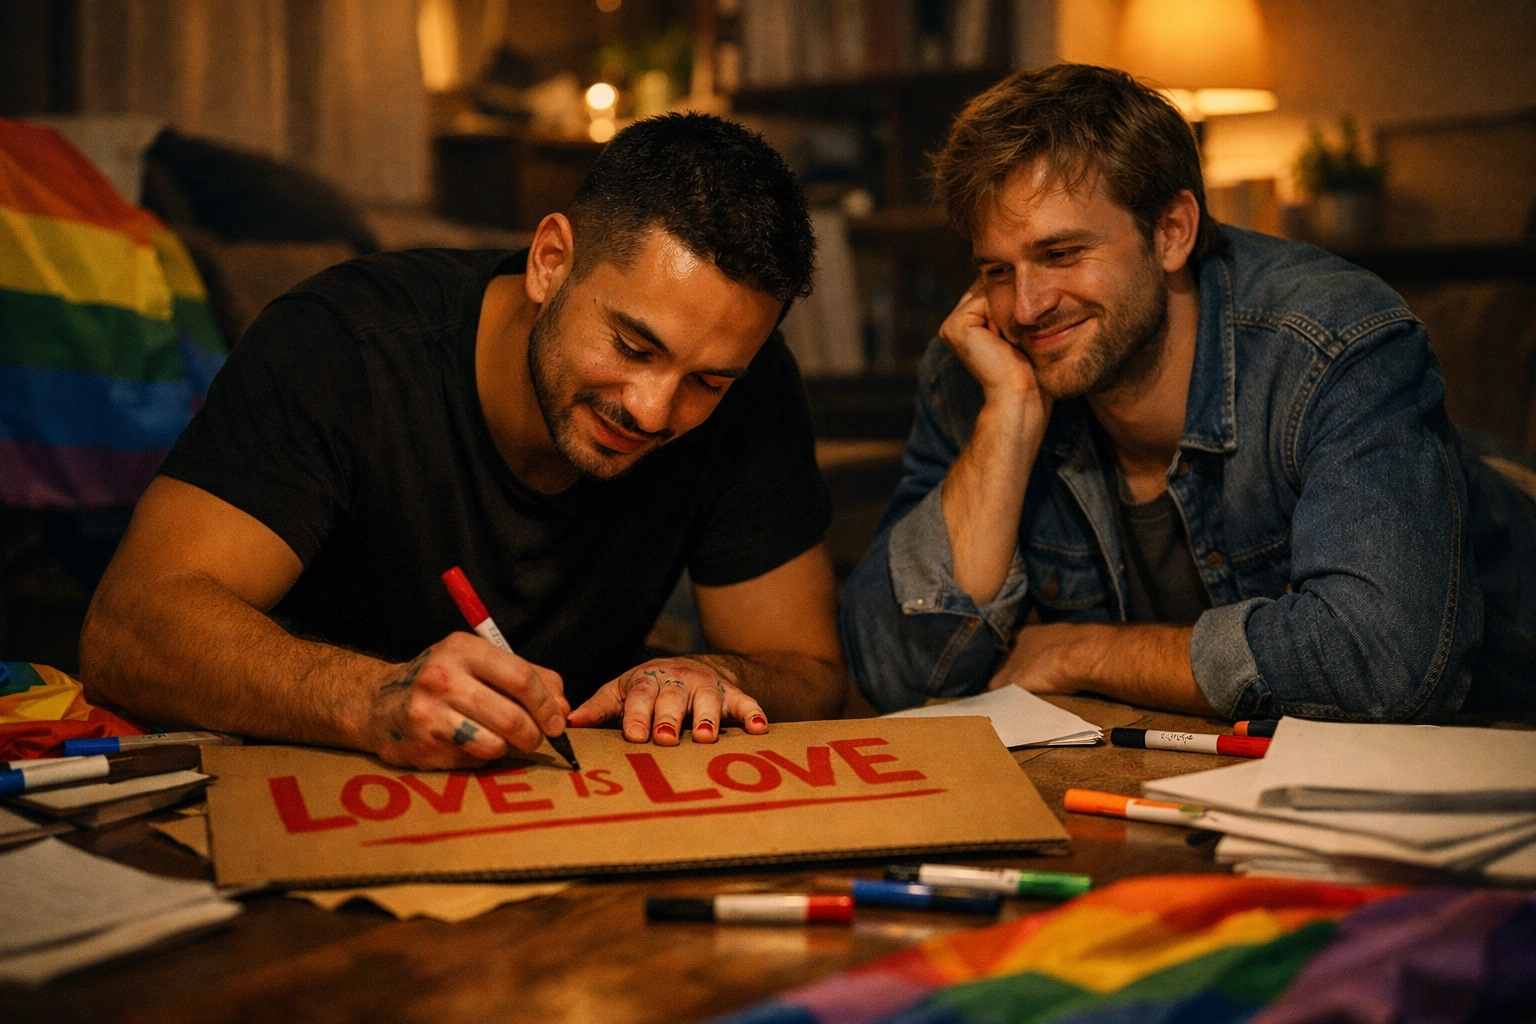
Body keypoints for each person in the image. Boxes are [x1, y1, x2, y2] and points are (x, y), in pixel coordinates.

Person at [82, 113, 848, 769]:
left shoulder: (748, 382)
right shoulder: (344, 345)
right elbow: (130, 627)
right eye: (631, 346)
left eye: (706, 382)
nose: (652, 410)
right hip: (317, 786)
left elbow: (811, 673)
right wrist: (370, 698)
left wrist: (708, 673)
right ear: (552, 261)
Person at [841, 64, 1536, 722]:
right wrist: (1011, 420)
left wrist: (1085, 653)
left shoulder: (1331, 340)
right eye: (997, 268)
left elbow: (1383, 660)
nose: (1025, 307)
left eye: (1062, 254)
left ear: (1172, 232)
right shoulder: (981, 367)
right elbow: (893, 674)